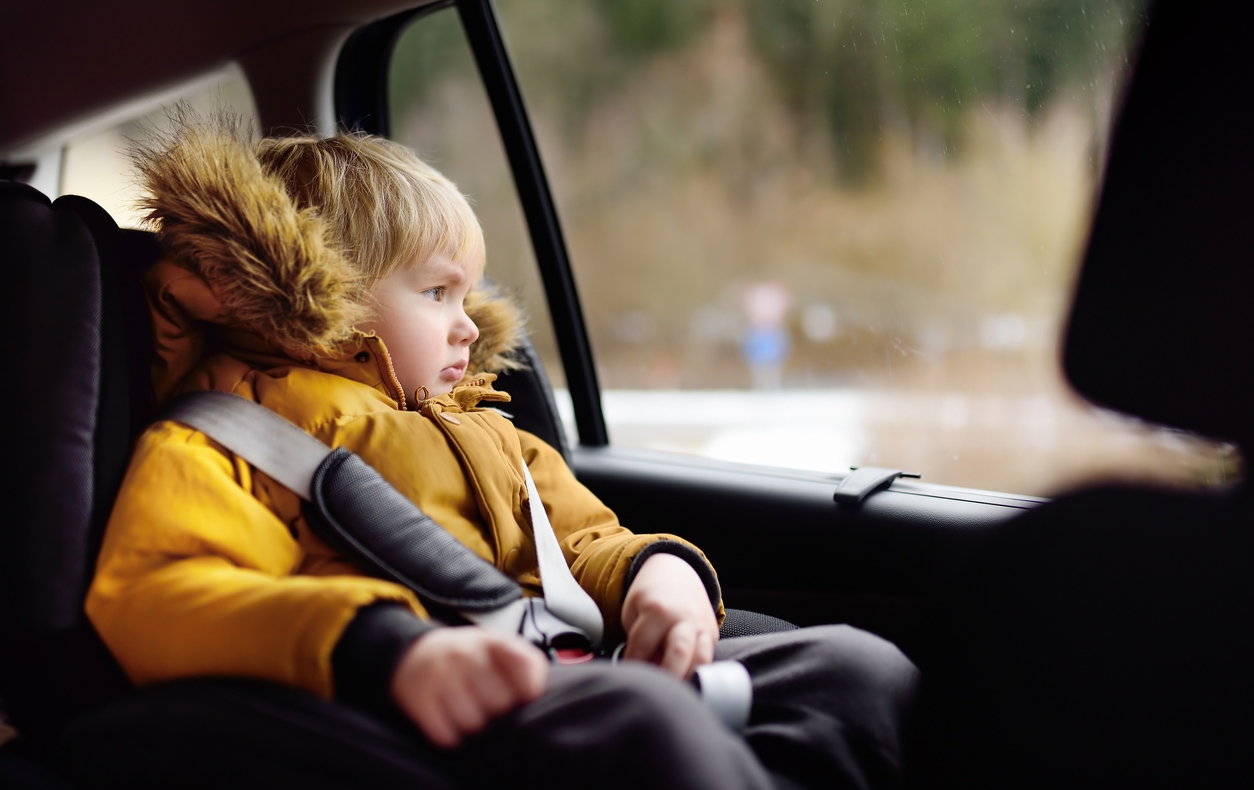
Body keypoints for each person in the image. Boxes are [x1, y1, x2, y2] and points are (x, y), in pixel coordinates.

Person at [82, 116, 917, 790]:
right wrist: (386, 649)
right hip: (418, 704)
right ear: (321, 293)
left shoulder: (489, 430)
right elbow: (158, 592)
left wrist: (658, 576)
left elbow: (586, 540)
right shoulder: (225, 435)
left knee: (854, 668)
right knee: (644, 722)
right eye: (437, 292)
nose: (468, 326)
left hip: (562, 659)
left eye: (468, 295)